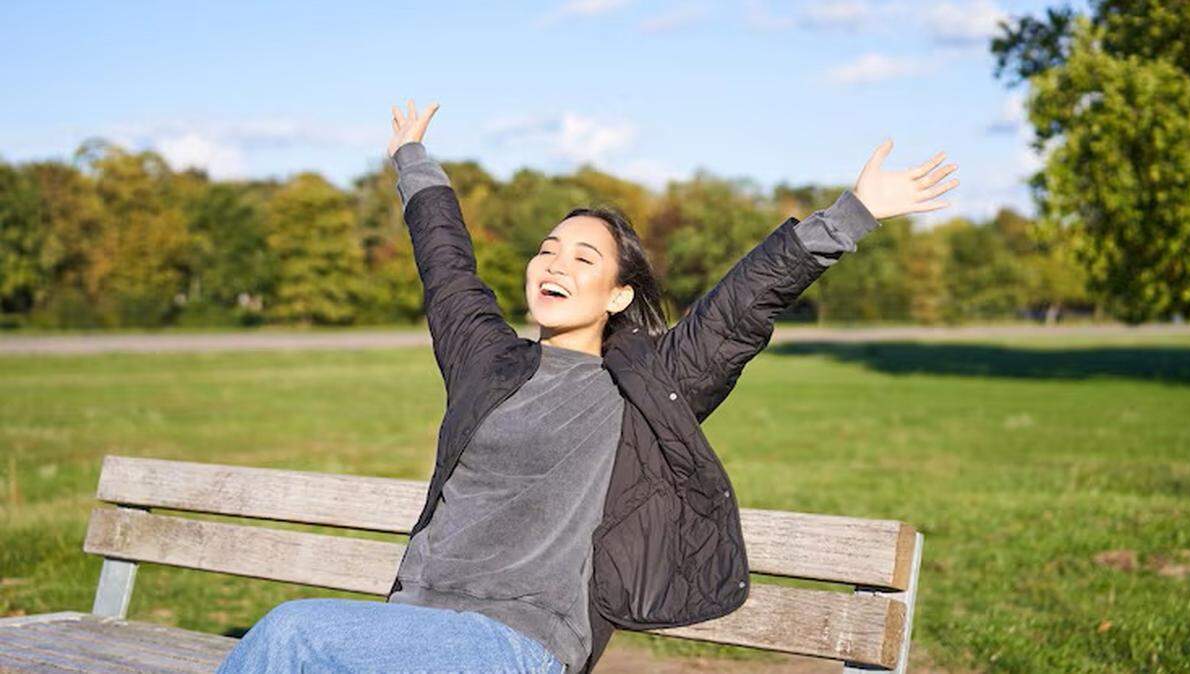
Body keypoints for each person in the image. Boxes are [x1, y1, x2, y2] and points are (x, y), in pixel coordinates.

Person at [215, 99, 958, 674]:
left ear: (617, 297)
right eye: (546, 250)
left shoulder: (642, 384)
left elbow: (741, 309)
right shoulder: (489, 364)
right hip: (413, 624)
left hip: (519, 643)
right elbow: (447, 268)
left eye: (582, 257)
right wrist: (413, 159)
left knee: (291, 636)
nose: (555, 265)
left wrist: (850, 216)